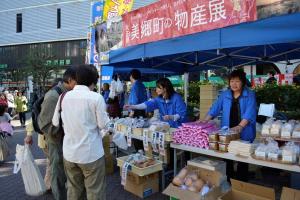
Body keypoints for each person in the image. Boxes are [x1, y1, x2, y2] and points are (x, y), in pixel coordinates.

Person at [52, 64, 110, 200]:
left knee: (74, 190)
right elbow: (103, 125)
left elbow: (55, 123)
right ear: (93, 82)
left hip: (70, 153)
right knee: (95, 191)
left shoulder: (63, 97)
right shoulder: (96, 98)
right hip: (91, 154)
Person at [204, 70, 257, 182]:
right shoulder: (225, 94)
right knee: (227, 157)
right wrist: (205, 121)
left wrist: (240, 127)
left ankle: (241, 184)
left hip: (244, 130)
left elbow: (250, 112)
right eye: (232, 81)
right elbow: (215, 108)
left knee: (242, 158)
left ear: (243, 82)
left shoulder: (250, 94)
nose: (234, 84)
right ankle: (228, 181)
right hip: (227, 132)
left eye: (237, 81)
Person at [38, 67, 77, 200]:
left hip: (66, 141)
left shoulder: (68, 94)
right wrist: (66, 129)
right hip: (56, 142)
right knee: (58, 174)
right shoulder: (53, 96)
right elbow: (45, 125)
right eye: (79, 82)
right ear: (70, 80)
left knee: (65, 174)